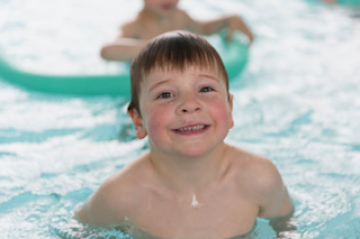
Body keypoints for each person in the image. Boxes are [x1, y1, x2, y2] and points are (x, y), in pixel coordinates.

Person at [76, 31, 294, 239]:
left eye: (206, 89)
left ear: (229, 109)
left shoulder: (259, 179)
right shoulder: (121, 195)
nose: (189, 105)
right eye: (166, 94)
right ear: (138, 121)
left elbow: (285, 229)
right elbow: (76, 232)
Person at [100, 0, 254, 62]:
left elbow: (204, 29)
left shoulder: (180, 16)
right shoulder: (134, 25)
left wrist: (227, 20)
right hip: (136, 84)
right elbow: (107, 50)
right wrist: (165, 47)